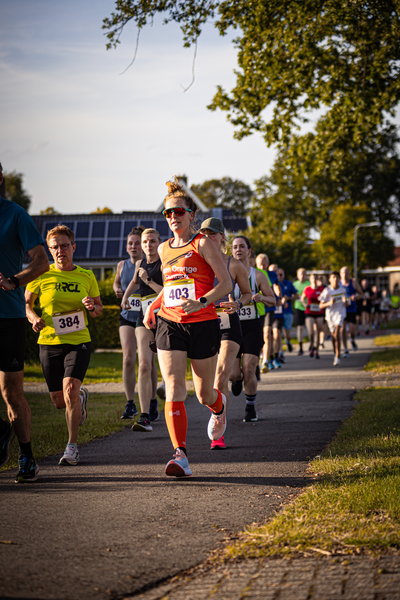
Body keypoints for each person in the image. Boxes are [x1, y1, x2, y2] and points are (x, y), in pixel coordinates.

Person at [144, 177, 231, 477]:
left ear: (191, 215)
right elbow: (170, 286)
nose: (173, 217)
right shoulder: (165, 249)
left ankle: (219, 408)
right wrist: (154, 307)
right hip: (170, 322)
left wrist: (203, 301)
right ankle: (180, 454)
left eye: (178, 212)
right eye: (168, 213)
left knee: (204, 394)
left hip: (203, 322)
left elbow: (226, 283)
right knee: (173, 386)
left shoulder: (203, 243)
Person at [25, 225, 103, 466]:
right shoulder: (41, 275)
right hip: (49, 342)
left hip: (78, 341)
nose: (60, 251)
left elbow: (99, 310)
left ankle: (72, 447)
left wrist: (92, 307)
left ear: (73, 247)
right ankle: (80, 398)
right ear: (49, 250)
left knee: (69, 388)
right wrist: (34, 318)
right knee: (60, 401)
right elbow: (25, 304)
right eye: (55, 247)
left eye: (65, 246)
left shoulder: (87, 276)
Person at [0, 163, 49, 482]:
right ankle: (0, 431)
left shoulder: (14, 214)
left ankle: (27, 457)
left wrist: (15, 282)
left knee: (11, 391)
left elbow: (41, 260)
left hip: (8, 315)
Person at [199, 217, 252, 449]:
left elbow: (248, 293)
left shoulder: (234, 265)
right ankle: (217, 411)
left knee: (221, 376)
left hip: (229, 321)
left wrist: (238, 304)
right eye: (204, 234)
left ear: (222, 237)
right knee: (206, 384)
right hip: (204, 322)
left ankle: (219, 432)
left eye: (212, 234)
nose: (208, 238)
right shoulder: (197, 263)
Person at [230, 237, 275, 422]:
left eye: (242, 246)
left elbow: (273, 299)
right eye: (235, 247)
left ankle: (250, 407)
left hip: (252, 326)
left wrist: (261, 298)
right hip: (232, 326)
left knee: (249, 369)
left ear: (249, 251)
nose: (238, 250)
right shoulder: (225, 274)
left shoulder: (258, 275)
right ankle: (236, 379)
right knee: (233, 373)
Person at [122, 228, 163, 430]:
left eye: (152, 241)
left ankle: (164, 404)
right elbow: (133, 281)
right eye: (145, 242)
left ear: (159, 242)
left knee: (164, 366)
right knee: (144, 364)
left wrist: (148, 280)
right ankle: (144, 415)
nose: (148, 245)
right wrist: (124, 296)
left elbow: (166, 291)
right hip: (144, 318)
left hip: (165, 317)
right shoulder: (140, 263)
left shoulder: (165, 262)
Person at [113, 228, 143, 419]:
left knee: (146, 361)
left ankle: (150, 400)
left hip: (145, 317)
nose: (133, 246)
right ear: (126, 246)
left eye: (137, 243)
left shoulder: (149, 264)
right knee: (128, 358)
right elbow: (116, 282)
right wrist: (117, 289)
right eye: (130, 243)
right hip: (127, 315)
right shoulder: (121, 265)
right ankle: (130, 403)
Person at [255, 253, 279, 372]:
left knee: (267, 333)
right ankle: (258, 358)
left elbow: (276, 287)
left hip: (269, 307)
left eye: (264, 264)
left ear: (267, 264)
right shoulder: (255, 273)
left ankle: (266, 360)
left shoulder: (272, 274)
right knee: (259, 336)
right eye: (260, 264)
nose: (262, 267)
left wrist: (279, 295)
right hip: (259, 307)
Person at [319, 272, 347, 366]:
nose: (335, 279)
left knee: (337, 333)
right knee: (333, 336)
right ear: (330, 280)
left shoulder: (343, 290)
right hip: (330, 315)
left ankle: (337, 356)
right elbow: (321, 305)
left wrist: (346, 301)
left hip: (340, 314)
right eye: (333, 277)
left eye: (337, 277)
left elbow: (347, 303)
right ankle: (335, 351)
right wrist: (329, 303)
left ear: (339, 279)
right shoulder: (327, 291)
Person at [340, 266, 364, 357]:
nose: (344, 274)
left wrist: (356, 297)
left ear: (349, 273)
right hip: (342, 309)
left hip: (352, 309)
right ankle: (345, 349)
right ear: (340, 274)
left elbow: (361, 294)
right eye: (343, 273)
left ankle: (352, 340)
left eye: (346, 273)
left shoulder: (353, 283)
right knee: (342, 329)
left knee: (352, 331)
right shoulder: (338, 284)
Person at [301, 273, 325, 359]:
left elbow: (326, 298)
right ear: (310, 280)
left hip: (319, 312)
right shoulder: (307, 288)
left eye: (315, 278)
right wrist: (305, 304)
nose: (314, 279)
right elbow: (302, 298)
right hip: (309, 312)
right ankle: (311, 346)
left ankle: (317, 351)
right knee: (311, 332)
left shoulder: (321, 289)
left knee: (318, 332)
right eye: (312, 278)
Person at [277, 268, 298, 357]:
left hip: (287, 311)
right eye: (277, 274)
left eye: (281, 274)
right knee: (278, 333)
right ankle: (280, 352)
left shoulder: (288, 284)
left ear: (284, 275)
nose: (279, 276)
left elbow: (296, 295)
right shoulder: (273, 283)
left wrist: (288, 298)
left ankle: (288, 341)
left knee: (287, 333)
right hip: (277, 312)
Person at [293, 268, 310, 355]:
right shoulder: (295, 284)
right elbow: (291, 295)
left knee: (310, 327)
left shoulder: (309, 284)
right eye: (300, 274)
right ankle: (300, 347)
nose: (302, 276)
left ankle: (312, 344)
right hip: (299, 307)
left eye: (304, 274)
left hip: (308, 308)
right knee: (300, 327)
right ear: (297, 275)